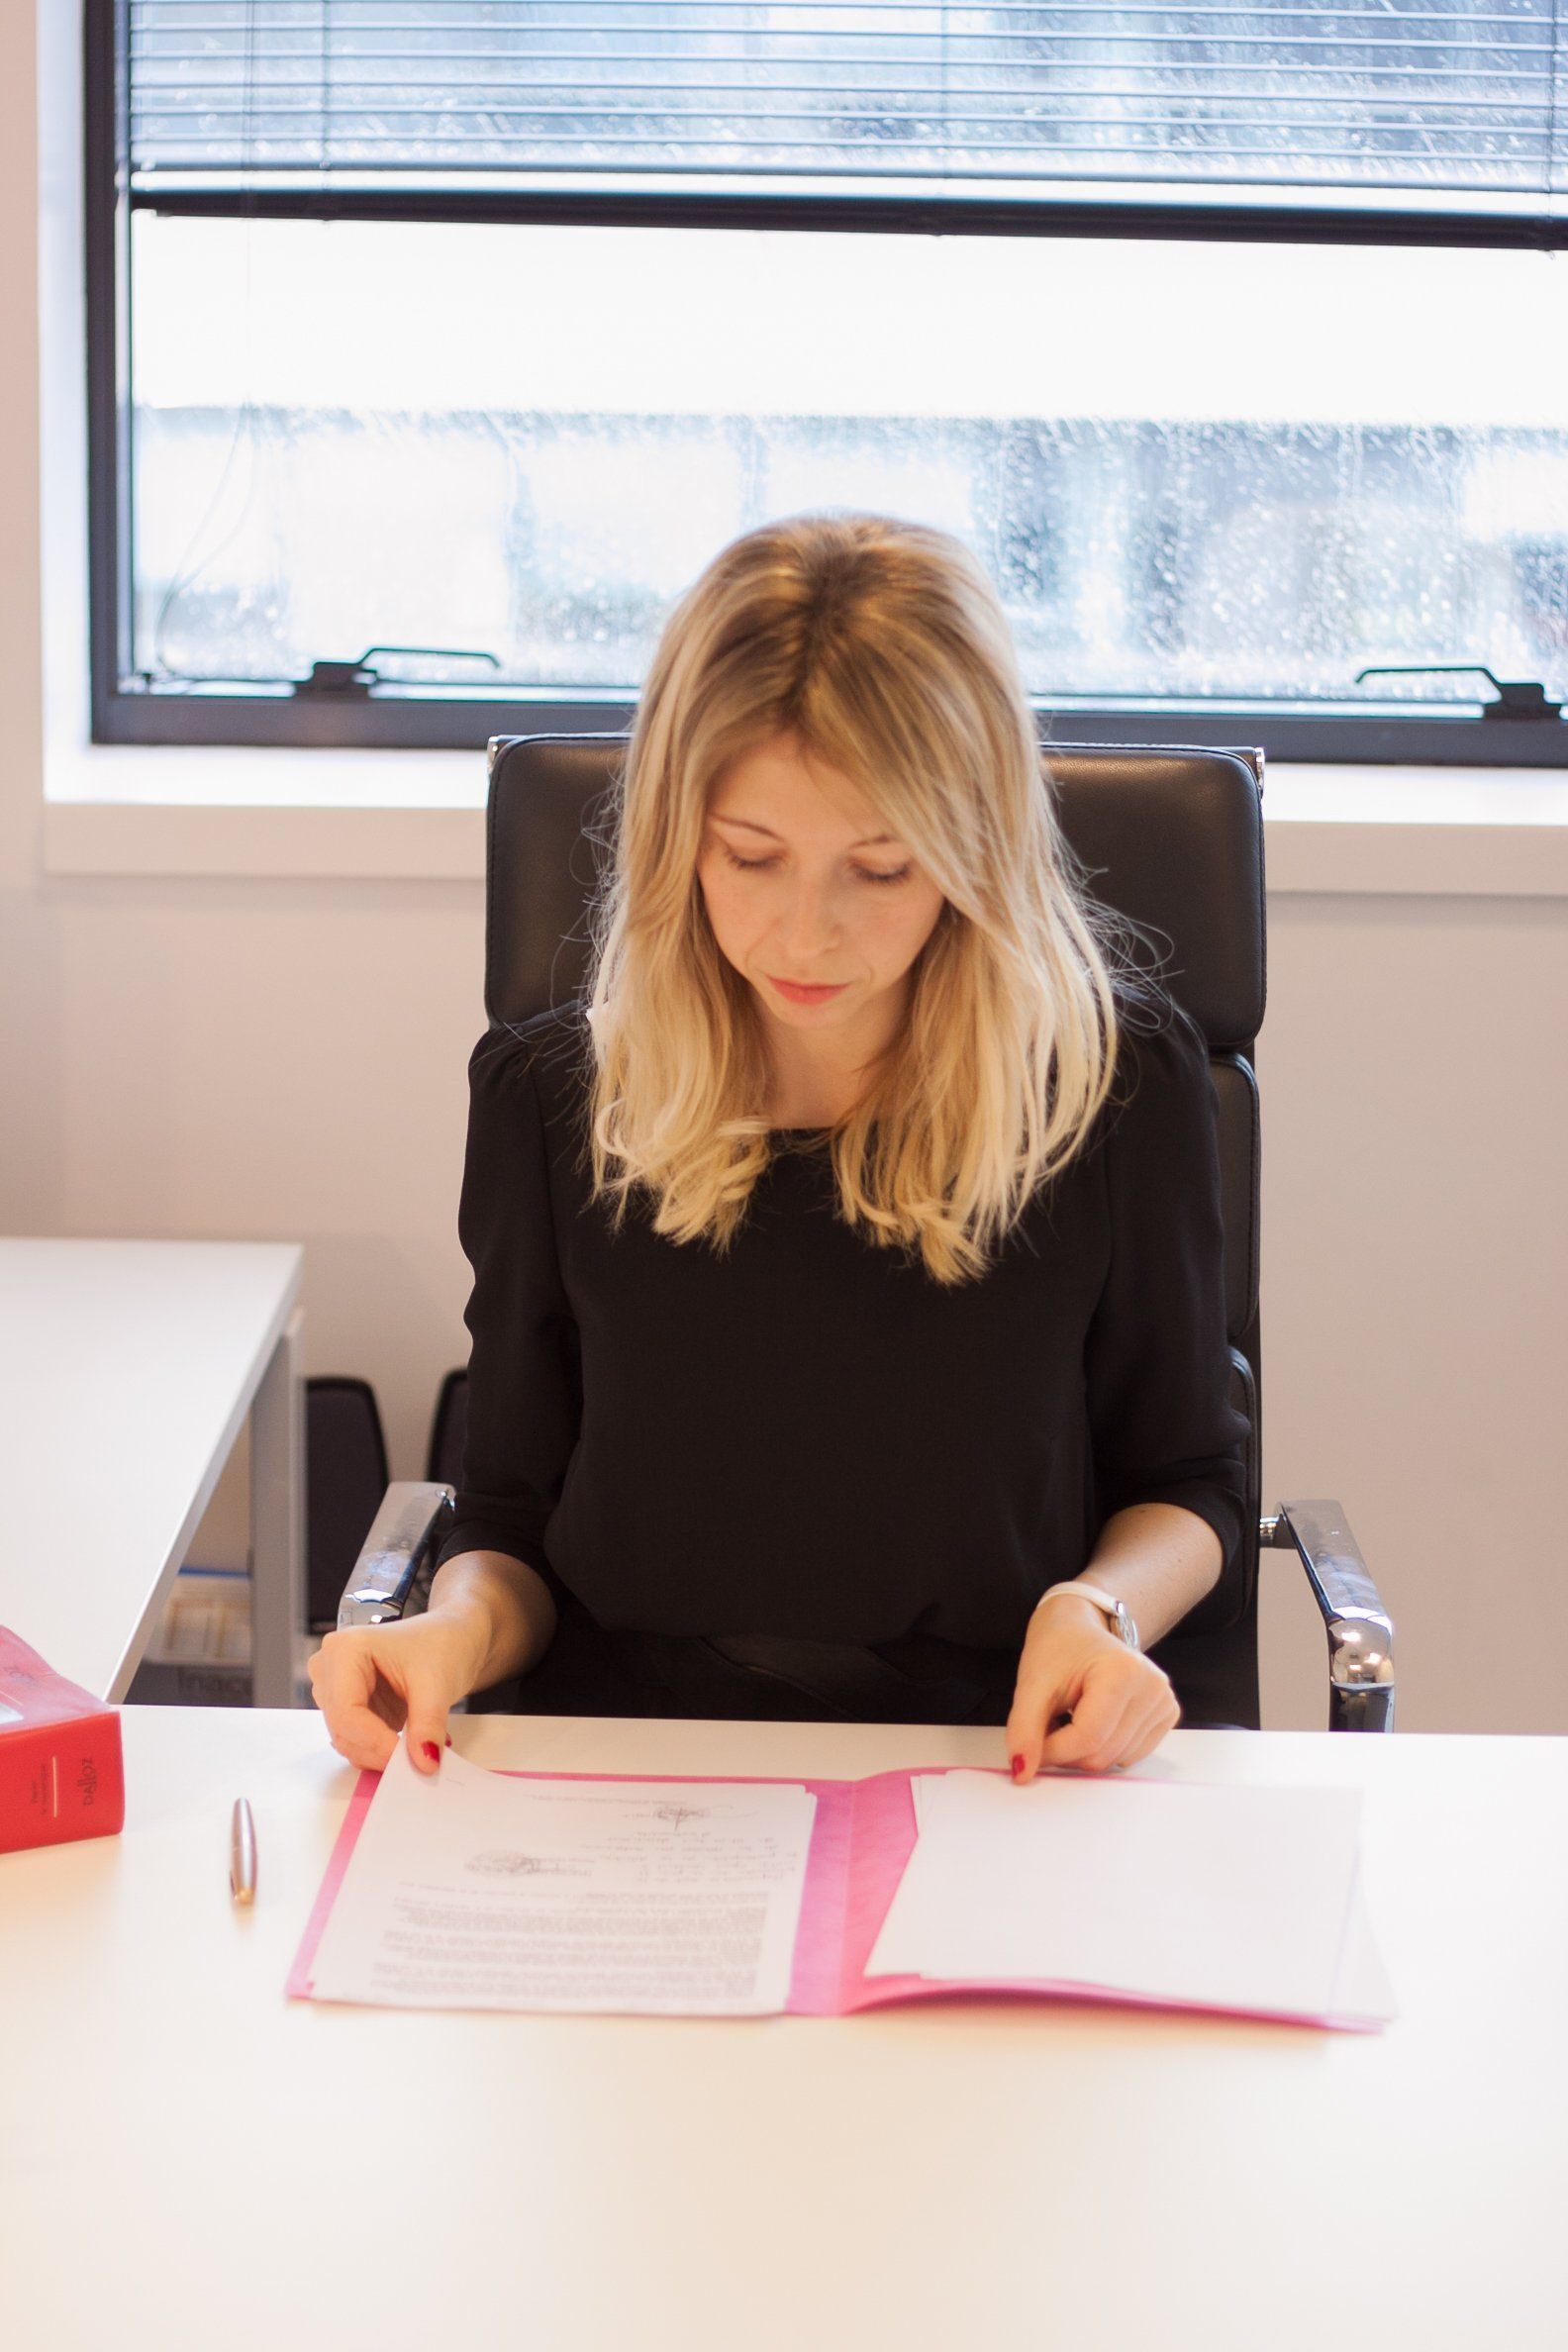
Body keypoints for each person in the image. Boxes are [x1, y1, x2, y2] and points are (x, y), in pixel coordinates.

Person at [310, 512, 1247, 1786]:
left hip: (996, 1756)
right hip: (630, 1768)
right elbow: (513, 1523)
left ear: (974, 854)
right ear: (677, 836)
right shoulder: (555, 1100)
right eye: (752, 857)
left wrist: (1100, 1611)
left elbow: (1188, 1481)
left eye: (883, 869)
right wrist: (454, 1631)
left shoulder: (1110, 1088)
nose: (807, 935)